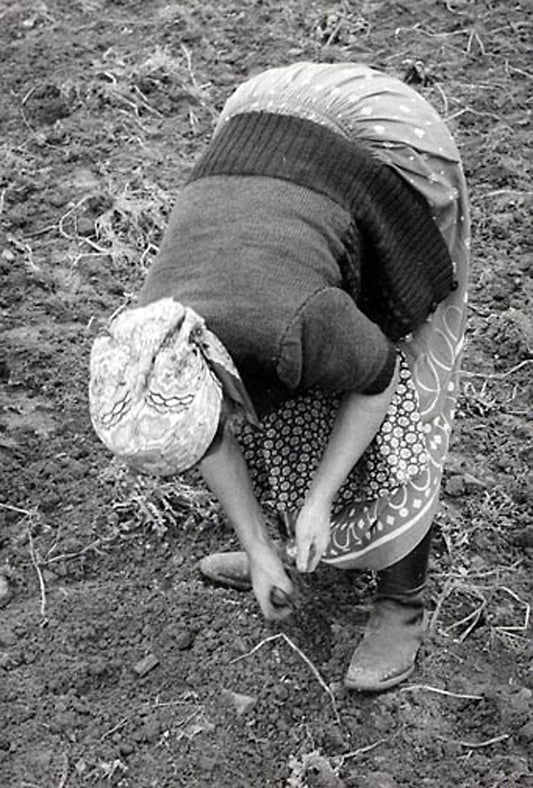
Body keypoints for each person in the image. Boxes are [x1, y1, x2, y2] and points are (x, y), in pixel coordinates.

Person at [89, 62, 469, 692]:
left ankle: (403, 601)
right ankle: (290, 549)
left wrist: (319, 499)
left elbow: (376, 380)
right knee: (270, 401)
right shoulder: (159, 335)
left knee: (400, 380)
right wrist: (262, 549)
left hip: (381, 138)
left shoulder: (288, 323)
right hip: (258, 140)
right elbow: (212, 432)